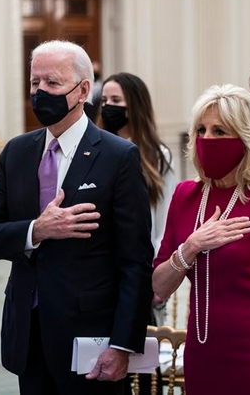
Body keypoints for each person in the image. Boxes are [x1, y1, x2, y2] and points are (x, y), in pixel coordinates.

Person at [0, 40, 153, 395]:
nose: (40, 92)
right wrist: (36, 230)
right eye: (34, 83)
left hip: (90, 336)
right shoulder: (17, 152)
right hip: (27, 329)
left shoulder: (119, 157)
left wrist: (123, 344)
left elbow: (136, 262)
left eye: (52, 83)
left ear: (83, 89)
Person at [152, 84, 250, 395]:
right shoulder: (185, 194)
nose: (207, 139)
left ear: (245, 137)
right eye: (201, 129)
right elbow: (158, 287)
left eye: (220, 131)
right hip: (201, 352)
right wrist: (191, 247)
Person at [97, 72, 176, 395]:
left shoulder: (158, 155)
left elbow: (163, 222)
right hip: (101, 271)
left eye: (117, 101)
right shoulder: (95, 149)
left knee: (142, 365)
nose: (109, 107)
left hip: (141, 270)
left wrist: (156, 275)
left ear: (135, 107)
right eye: (105, 102)